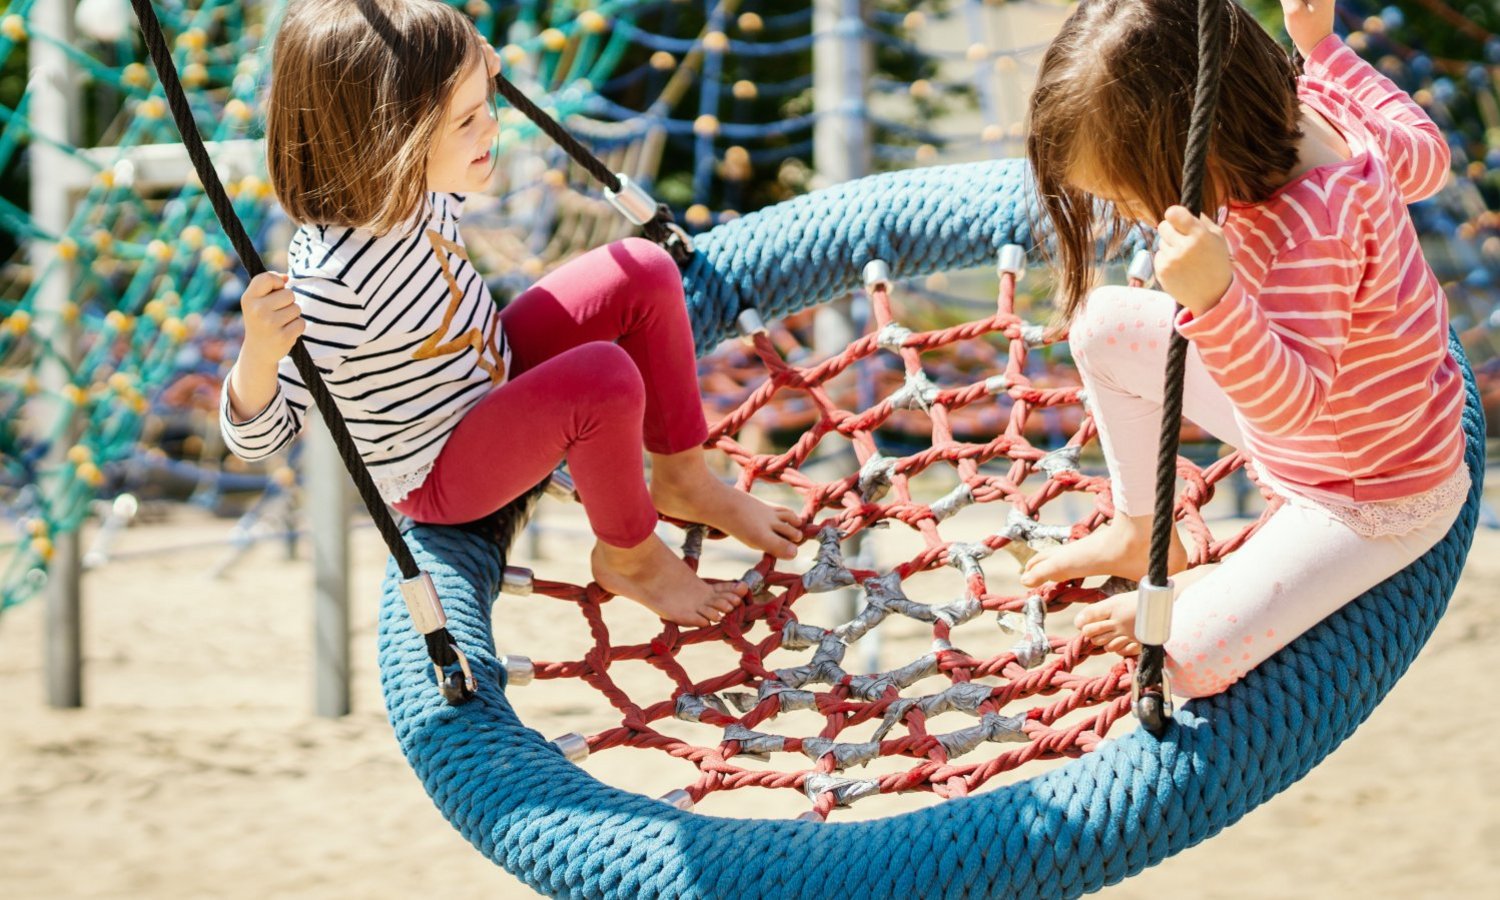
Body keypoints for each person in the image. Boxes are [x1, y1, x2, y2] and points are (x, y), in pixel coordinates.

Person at [218, 0, 802, 628]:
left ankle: (683, 477)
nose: (492, 127)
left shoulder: (415, 184)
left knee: (643, 268)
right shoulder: (332, 288)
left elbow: (431, 91)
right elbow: (257, 439)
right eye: (468, 120)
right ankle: (627, 555)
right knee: (600, 378)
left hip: (492, 372)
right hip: (442, 471)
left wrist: (470, 74)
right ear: (390, 139)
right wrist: (258, 355)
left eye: (485, 106)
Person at [1018, 0, 1469, 697]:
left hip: (1363, 490)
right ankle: (1145, 532)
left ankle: (1212, 585)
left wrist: (1217, 301)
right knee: (1104, 325)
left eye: (1132, 194)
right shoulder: (1315, 100)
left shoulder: (1308, 228)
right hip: (1330, 421)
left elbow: (1288, 405)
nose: (1136, 216)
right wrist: (1322, 47)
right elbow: (1428, 157)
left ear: (1203, 143)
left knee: (1188, 662)